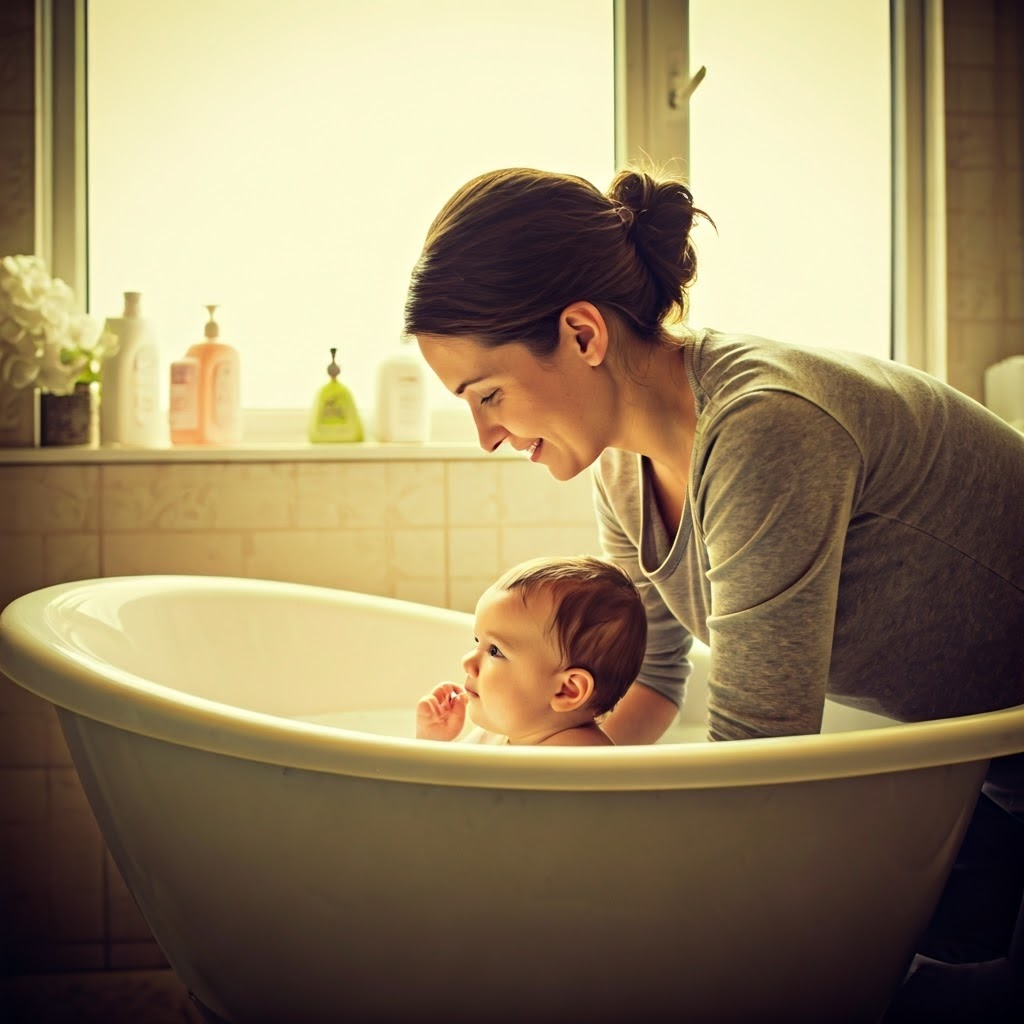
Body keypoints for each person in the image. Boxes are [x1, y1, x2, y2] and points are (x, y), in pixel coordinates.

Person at [403, 166, 1024, 1019]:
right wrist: (544, 814)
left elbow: (760, 761)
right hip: (981, 766)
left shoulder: (768, 430)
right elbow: (649, 681)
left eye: (489, 394)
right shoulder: (619, 462)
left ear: (583, 334)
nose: (484, 436)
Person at [415, 554, 646, 746]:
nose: (468, 661)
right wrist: (432, 742)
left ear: (567, 690)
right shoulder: (499, 732)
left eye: (495, 651)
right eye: (477, 641)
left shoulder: (580, 764)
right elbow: (437, 791)